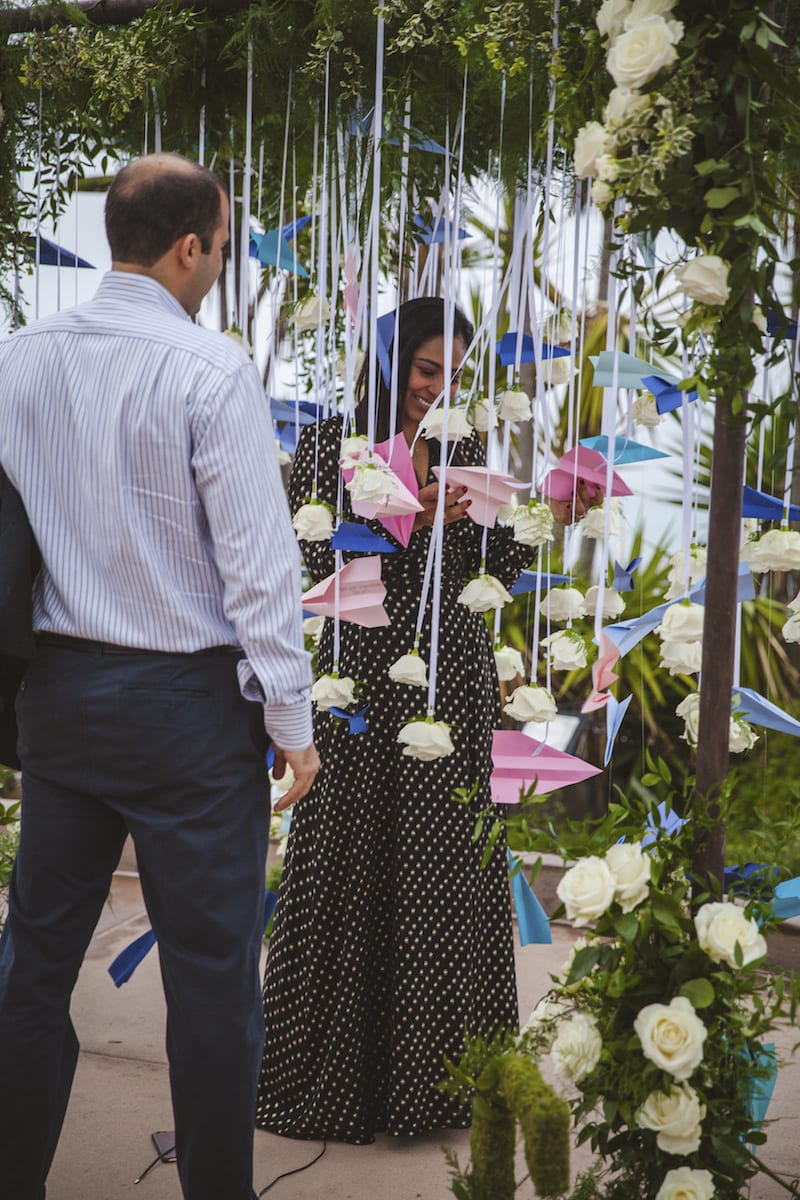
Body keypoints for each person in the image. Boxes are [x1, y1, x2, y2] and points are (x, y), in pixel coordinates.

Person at [0, 152, 319, 1200]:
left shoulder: (22, 357)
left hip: (60, 699)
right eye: (221, 249)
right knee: (213, 988)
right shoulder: (209, 370)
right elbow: (258, 570)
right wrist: (291, 719)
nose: (217, 266)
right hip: (186, 715)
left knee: (33, 969)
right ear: (191, 247)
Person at [255, 296, 546, 1145]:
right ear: (392, 365)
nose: (440, 387)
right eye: (426, 370)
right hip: (359, 679)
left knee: (444, 869)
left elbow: (494, 562)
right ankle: (337, 1080)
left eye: (455, 374)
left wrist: (530, 515)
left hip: (448, 680)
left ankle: (440, 1088)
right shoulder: (331, 442)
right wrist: (407, 513)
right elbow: (306, 558)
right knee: (352, 851)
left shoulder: (467, 445)